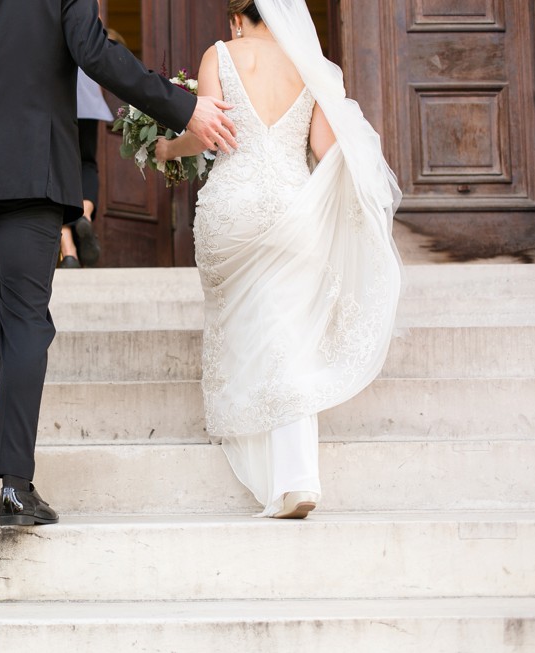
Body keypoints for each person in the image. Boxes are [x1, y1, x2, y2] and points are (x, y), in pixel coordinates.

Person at [0, 0, 239, 526]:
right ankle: (16, 487)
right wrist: (183, 106)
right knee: (26, 314)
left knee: (1, 287)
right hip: (30, 167)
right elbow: (96, 55)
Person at [156, 0, 402, 519]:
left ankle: (275, 467)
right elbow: (325, 149)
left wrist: (161, 149)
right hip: (294, 207)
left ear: (235, 19)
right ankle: (297, 478)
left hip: (233, 208)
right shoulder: (309, 66)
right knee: (290, 333)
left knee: (247, 328)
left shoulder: (220, 54)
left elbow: (208, 135)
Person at [59, 67, 111, 268]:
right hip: (87, 94)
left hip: (52, 94)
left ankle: (69, 252)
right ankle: (84, 215)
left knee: (54, 170)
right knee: (86, 162)